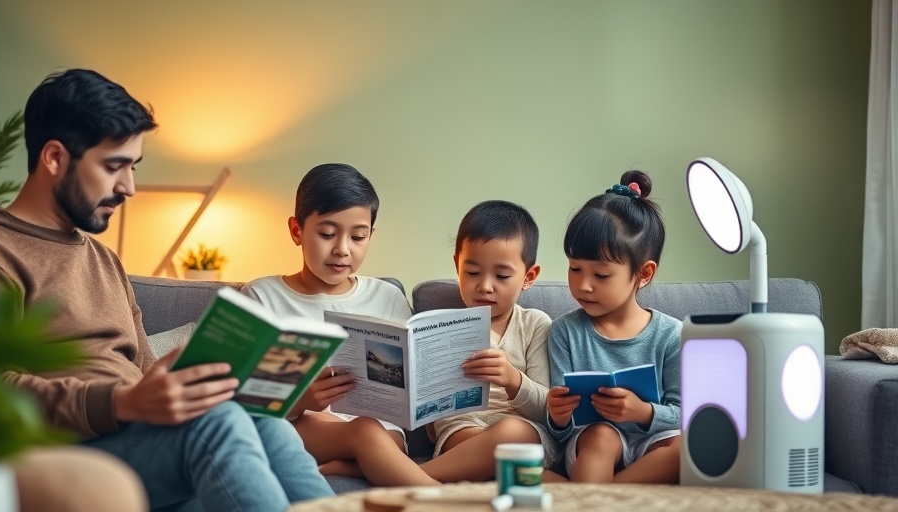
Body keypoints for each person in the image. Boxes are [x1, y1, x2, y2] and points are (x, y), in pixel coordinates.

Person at [0, 68, 333, 511]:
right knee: (217, 424)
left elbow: (143, 373)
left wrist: (192, 384)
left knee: (265, 422)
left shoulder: (104, 260)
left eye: (133, 167)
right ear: (55, 158)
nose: (130, 187)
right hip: (60, 459)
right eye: (113, 166)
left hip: (135, 443)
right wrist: (121, 402)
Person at [241, 163, 439, 487]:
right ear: (296, 231)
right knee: (365, 431)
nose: (342, 249)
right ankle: (449, 504)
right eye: (327, 234)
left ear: (370, 236)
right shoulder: (262, 297)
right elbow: (245, 396)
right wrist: (300, 399)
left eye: (358, 237)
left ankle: (350, 465)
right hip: (299, 427)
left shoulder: (387, 297)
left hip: (386, 434)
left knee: (374, 432)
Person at [545, 170, 682, 484]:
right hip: (592, 442)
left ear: (643, 274)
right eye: (575, 269)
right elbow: (559, 430)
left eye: (601, 275)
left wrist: (642, 412)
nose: (584, 285)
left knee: (690, 446)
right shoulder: (564, 332)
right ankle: (594, 497)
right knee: (602, 436)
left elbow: (685, 413)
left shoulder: (672, 335)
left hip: (653, 443)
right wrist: (557, 414)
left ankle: (594, 497)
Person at [417, 200, 558, 483]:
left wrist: (512, 379)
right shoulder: (438, 327)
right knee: (469, 440)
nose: (485, 286)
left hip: (521, 430)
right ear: (457, 265)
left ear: (528, 277)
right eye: (472, 272)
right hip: (463, 430)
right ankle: (515, 476)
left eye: (502, 276)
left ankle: (405, 476)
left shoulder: (535, 324)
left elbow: (548, 409)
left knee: (512, 434)